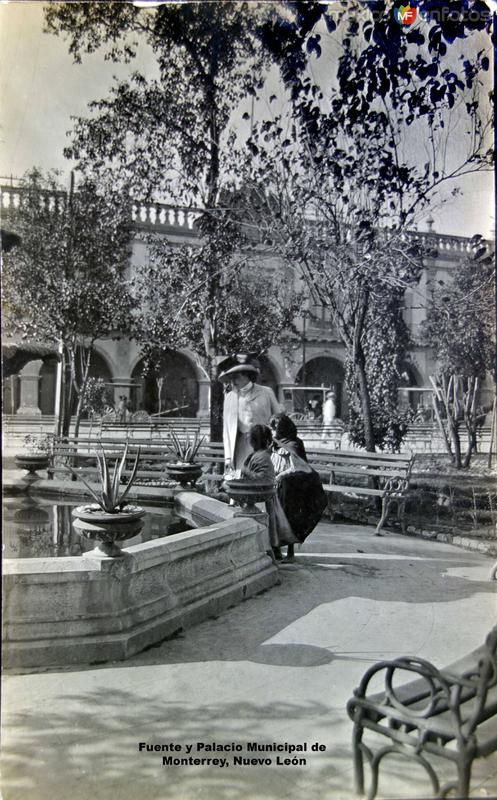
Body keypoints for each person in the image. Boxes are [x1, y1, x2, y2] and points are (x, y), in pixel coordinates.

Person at [270, 413, 328, 561]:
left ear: (283, 428)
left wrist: (280, 476)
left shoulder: (295, 444)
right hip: (276, 487)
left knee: (289, 518)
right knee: (274, 518)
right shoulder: (274, 443)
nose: (273, 430)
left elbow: (297, 467)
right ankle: (275, 549)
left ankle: (290, 553)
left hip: (292, 487)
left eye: (275, 427)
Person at [240, 423, 297, 561]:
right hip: (265, 497)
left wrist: (245, 472)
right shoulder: (259, 455)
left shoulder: (262, 457)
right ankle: (274, 551)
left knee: (269, 527)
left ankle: (271, 553)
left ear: (253, 441)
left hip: (263, 498)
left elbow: (262, 479)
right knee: (272, 528)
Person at [220, 357, 283, 473]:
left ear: (247, 376)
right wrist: (228, 457)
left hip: (264, 445)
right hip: (240, 445)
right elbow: (227, 430)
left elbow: (279, 420)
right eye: (230, 379)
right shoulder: (230, 397)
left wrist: (277, 446)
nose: (232, 382)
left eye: (236, 377)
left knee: (262, 476)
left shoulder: (266, 392)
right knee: (242, 478)